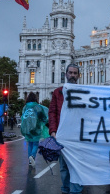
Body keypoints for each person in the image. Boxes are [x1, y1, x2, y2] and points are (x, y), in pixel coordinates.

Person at [49, 63, 83, 194]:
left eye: (75, 73)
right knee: (64, 166)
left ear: (78, 75)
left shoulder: (84, 92)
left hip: (78, 135)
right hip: (63, 135)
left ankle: (76, 190)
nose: (73, 75)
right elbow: (52, 112)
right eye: (71, 73)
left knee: (78, 164)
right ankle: (66, 188)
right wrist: (53, 130)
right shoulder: (58, 92)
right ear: (66, 74)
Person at [21, 92, 49, 167]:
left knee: (30, 143)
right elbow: (43, 116)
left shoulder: (25, 107)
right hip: (36, 127)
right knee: (35, 143)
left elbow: (23, 116)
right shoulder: (38, 107)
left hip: (28, 127)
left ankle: (30, 160)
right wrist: (46, 122)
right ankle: (33, 156)